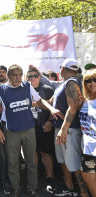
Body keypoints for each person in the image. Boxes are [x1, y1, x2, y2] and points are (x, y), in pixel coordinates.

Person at [0, 64, 62, 197]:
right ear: (8, 76)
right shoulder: (1, 90)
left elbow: (40, 100)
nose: (18, 78)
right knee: (13, 162)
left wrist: (52, 109)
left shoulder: (27, 86)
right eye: (14, 75)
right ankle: (16, 188)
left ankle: (32, 189)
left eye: (20, 74)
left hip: (29, 129)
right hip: (10, 130)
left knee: (31, 161)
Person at [52, 59, 89, 197]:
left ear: (62, 69)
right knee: (64, 162)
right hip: (63, 130)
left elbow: (72, 108)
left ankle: (84, 193)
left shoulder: (71, 83)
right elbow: (50, 102)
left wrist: (64, 129)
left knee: (74, 165)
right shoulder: (64, 83)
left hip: (69, 131)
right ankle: (69, 188)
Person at [26, 68, 56, 193]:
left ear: (39, 77)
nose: (32, 78)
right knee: (32, 153)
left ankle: (50, 178)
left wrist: (50, 121)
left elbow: (53, 107)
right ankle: (35, 177)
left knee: (46, 152)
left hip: (43, 125)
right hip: (28, 127)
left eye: (35, 76)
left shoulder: (47, 89)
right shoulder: (24, 89)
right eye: (29, 76)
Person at [79, 69, 96, 196]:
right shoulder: (86, 99)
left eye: (95, 79)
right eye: (88, 80)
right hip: (88, 146)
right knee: (87, 175)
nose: (92, 83)